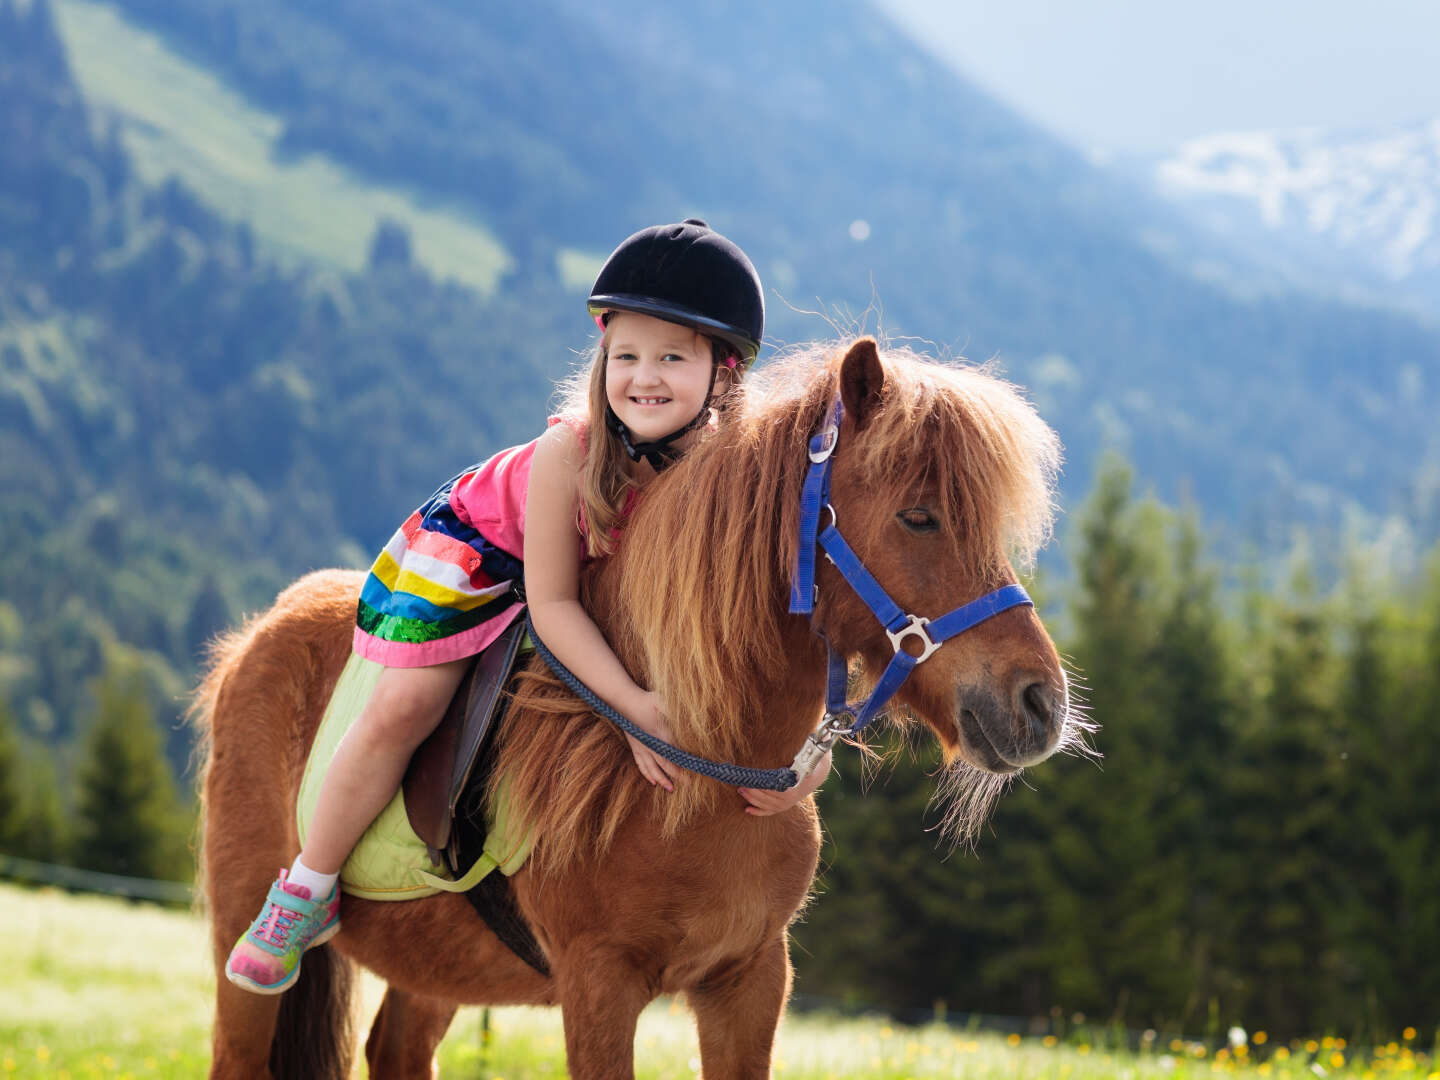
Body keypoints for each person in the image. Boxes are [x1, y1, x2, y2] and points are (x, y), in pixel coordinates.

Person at [224, 219, 833, 995]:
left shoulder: (735, 477)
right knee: (407, 705)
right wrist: (637, 711)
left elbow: (781, 634)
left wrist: (808, 753)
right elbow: (550, 605)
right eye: (627, 356)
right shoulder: (570, 454)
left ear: (726, 373)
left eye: (672, 357)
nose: (644, 378)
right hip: (487, 564)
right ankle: (306, 887)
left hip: (606, 588)